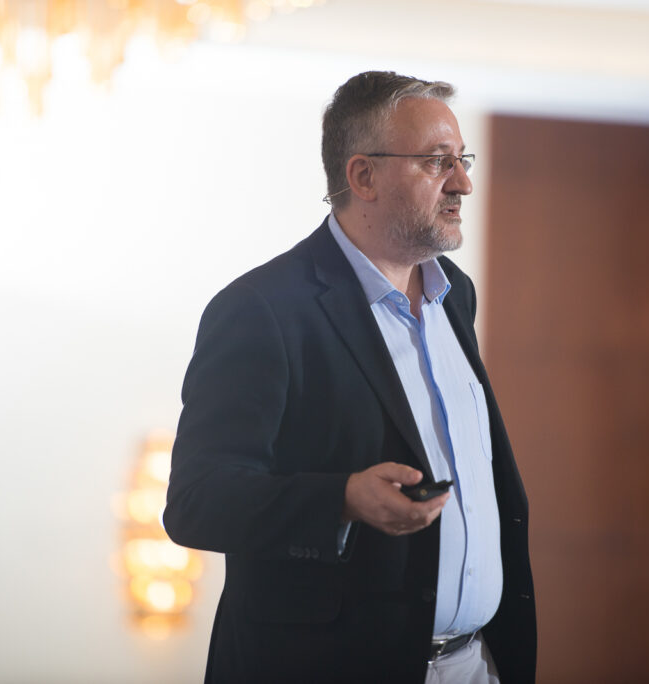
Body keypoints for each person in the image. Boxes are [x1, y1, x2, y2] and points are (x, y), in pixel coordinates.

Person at [164, 70, 536, 684]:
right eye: (438, 162)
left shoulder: (456, 296)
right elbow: (196, 502)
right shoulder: (263, 310)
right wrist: (340, 499)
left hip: (476, 664)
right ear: (363, 176)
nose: (464, 182)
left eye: (462, 159)